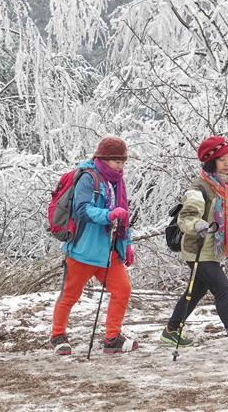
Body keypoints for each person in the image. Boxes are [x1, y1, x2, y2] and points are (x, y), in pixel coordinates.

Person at [160, 135, 228, 352]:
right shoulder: (200, 187)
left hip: (213, 249)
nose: (227, 162)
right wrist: (199, 224)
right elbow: (186, 217)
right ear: (211, 162)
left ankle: (171, 331)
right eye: (221, 159)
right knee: (222, 288)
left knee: (198, 291)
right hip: (198, 248)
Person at [50, 136, 137, 355]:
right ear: (102, 158)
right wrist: (108, 215)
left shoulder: (117, 181)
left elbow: (123, 217)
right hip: (82, 251)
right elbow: (82, 210)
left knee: (122, 289)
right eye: (116, 160)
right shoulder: (89, 178)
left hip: (109, 252)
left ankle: (112, 337)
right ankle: (58, 335)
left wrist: (126, 244)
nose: (120, 165)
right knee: (70, 295)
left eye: (122, 161)